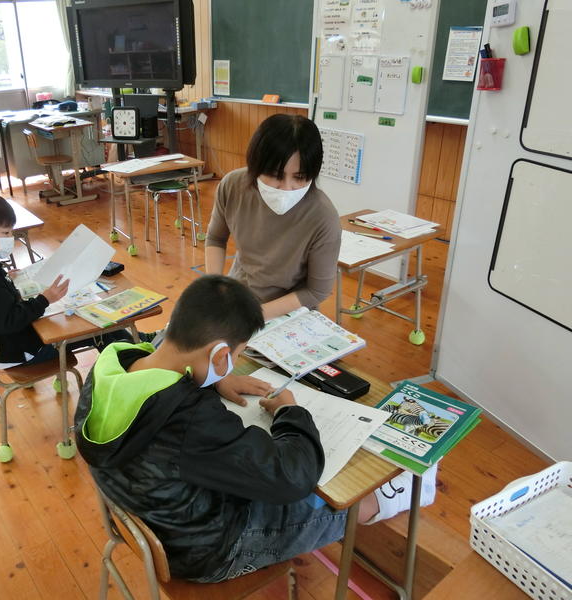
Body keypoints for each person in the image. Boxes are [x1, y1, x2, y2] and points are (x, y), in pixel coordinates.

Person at [74, 275, 436, 582]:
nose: (231, 364)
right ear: (219, 354)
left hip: (155, 514)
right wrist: (291, 413)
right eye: (233, 356)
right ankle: (400, 494)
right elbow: (292, 477)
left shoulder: (113, 366)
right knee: (349, 501)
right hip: (205, 549)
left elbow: (162, 369)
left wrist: (216, 379)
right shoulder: (189, 420)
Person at [0, 193, 129, 367]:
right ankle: (134, 361)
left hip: (4, 348)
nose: (10, 238)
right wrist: (45, 299)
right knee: (100, 329)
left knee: (100, 328)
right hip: (21, 352)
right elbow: (9, 321)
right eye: (5, 233)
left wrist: (6, 280)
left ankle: (136, 347)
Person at [205, 114, 342, 320]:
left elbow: (317, 291)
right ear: (256, 165)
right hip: (239, 295)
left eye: (300, 177)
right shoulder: (233, 186)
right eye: (275, 175)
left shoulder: (323, 217)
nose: (286, 188)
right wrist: (213, 288)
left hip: (289, 311)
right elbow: (216, 238)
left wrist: (254, 316)